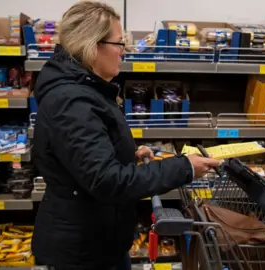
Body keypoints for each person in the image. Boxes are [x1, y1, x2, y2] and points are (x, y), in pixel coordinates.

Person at [31, 1, 221, 269]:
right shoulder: (72, 102)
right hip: (83, 254)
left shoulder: (86, 90)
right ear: (93, 46)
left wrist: (127, 154)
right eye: (120, 44)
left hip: (97, 240)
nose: (124, 52)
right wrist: (185, 168)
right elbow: (107, 181)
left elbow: (83, 160)